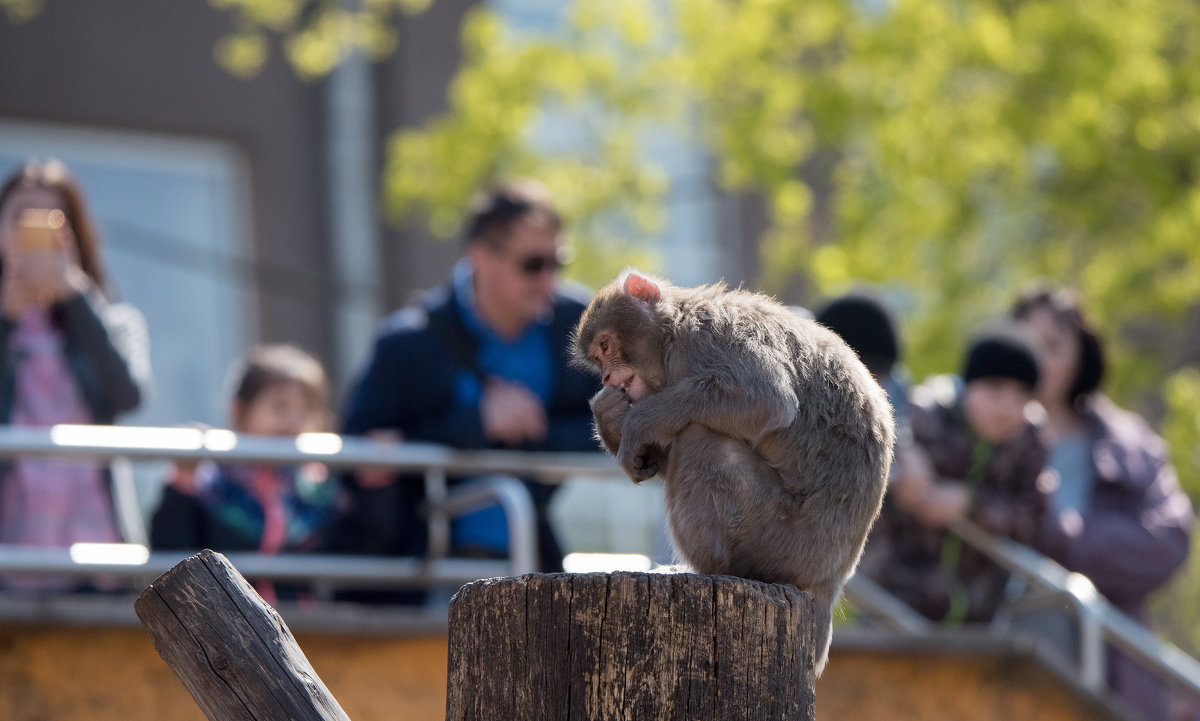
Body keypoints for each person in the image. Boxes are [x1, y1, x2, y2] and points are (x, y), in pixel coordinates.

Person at [341, 180, 598, 574]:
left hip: (534, 557)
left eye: (557, 263)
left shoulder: (579, 323)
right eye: (532, 264)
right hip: (422, 572)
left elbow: (627, 418)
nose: (548, 280)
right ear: (481, 256)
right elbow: (361, 454)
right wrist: (478, 422)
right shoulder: (407, 341)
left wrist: (537, 429)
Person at [1012, 286, 1194, 721]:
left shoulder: (1128, 444)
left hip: (1113, 656)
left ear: (1081, 354)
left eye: (1053, 347)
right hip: (1005, 648)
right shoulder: (984, 438)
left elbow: (1168, 539)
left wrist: (1065, 539)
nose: (1040, 361)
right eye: (1027, 346)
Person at [0, 159, 152, 590]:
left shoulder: (116, 319)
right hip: (8, 559)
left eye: (53, 219)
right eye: (19, 217)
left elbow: (129, 394)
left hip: (100, 558)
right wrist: (6, 319)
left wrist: (76, 295)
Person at [865, 324, 1048, 623]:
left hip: (983, 619)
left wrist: (971, 504)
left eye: (1021, 395)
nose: (1006, 407)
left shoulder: (1030, 444)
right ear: (969, 385)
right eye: (995, 389)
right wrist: (905, 454)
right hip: (894, 606)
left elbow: (1033, 517)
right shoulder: (923, 418)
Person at [150, 344, 344, 604]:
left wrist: (374, 486)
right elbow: (171, 555)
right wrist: (183, 481)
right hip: (224, 629)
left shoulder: (320, 492)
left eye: (307, 409)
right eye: (280, 406)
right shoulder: (210, 486)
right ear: (239, 412)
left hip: (306, 632)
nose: (294, 421)